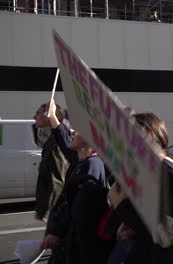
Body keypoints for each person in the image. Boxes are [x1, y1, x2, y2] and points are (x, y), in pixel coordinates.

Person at [107, 112, 173, 264]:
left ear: (148, 136)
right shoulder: (159, 171)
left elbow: (166, 235)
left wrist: (121, 205)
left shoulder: (166, 175)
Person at [41, 99, 110, 264]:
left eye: (77, 132)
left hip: (82, 244)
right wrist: (53, 119)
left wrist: (59, 232)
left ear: (89, 141)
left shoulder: (92, 166)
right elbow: (64, 141)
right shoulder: (81, 160)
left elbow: (79, 209)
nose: (72, 133)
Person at [33, 102, 70, 222]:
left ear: (48, 116)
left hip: (58, 210)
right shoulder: (51, 142)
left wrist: (45, 210)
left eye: (37, 113)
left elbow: (56, 179)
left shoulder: (55, 145)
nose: (34, 117)